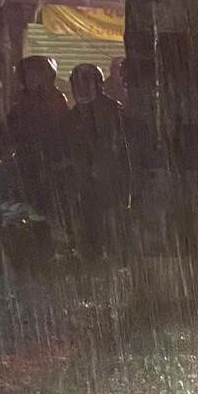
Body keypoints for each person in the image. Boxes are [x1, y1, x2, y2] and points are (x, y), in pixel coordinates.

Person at [62, 63, 130, 257]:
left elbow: (119, 142)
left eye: (86, 83)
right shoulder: (73, 115)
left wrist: (105, 163)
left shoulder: (112, 110)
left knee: (111, 216)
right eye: (78, 84)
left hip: (108, 175)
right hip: (83, 177)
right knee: (86, 216)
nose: (82, 89)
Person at [5, 54, 69, 220]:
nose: (30, 78)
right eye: (27, 74)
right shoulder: (22, 99)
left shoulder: (54, 99)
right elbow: (12, 126)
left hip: (48, 162)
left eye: (35, 73)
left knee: (45, 207)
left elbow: (56, 130)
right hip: (25, 160)